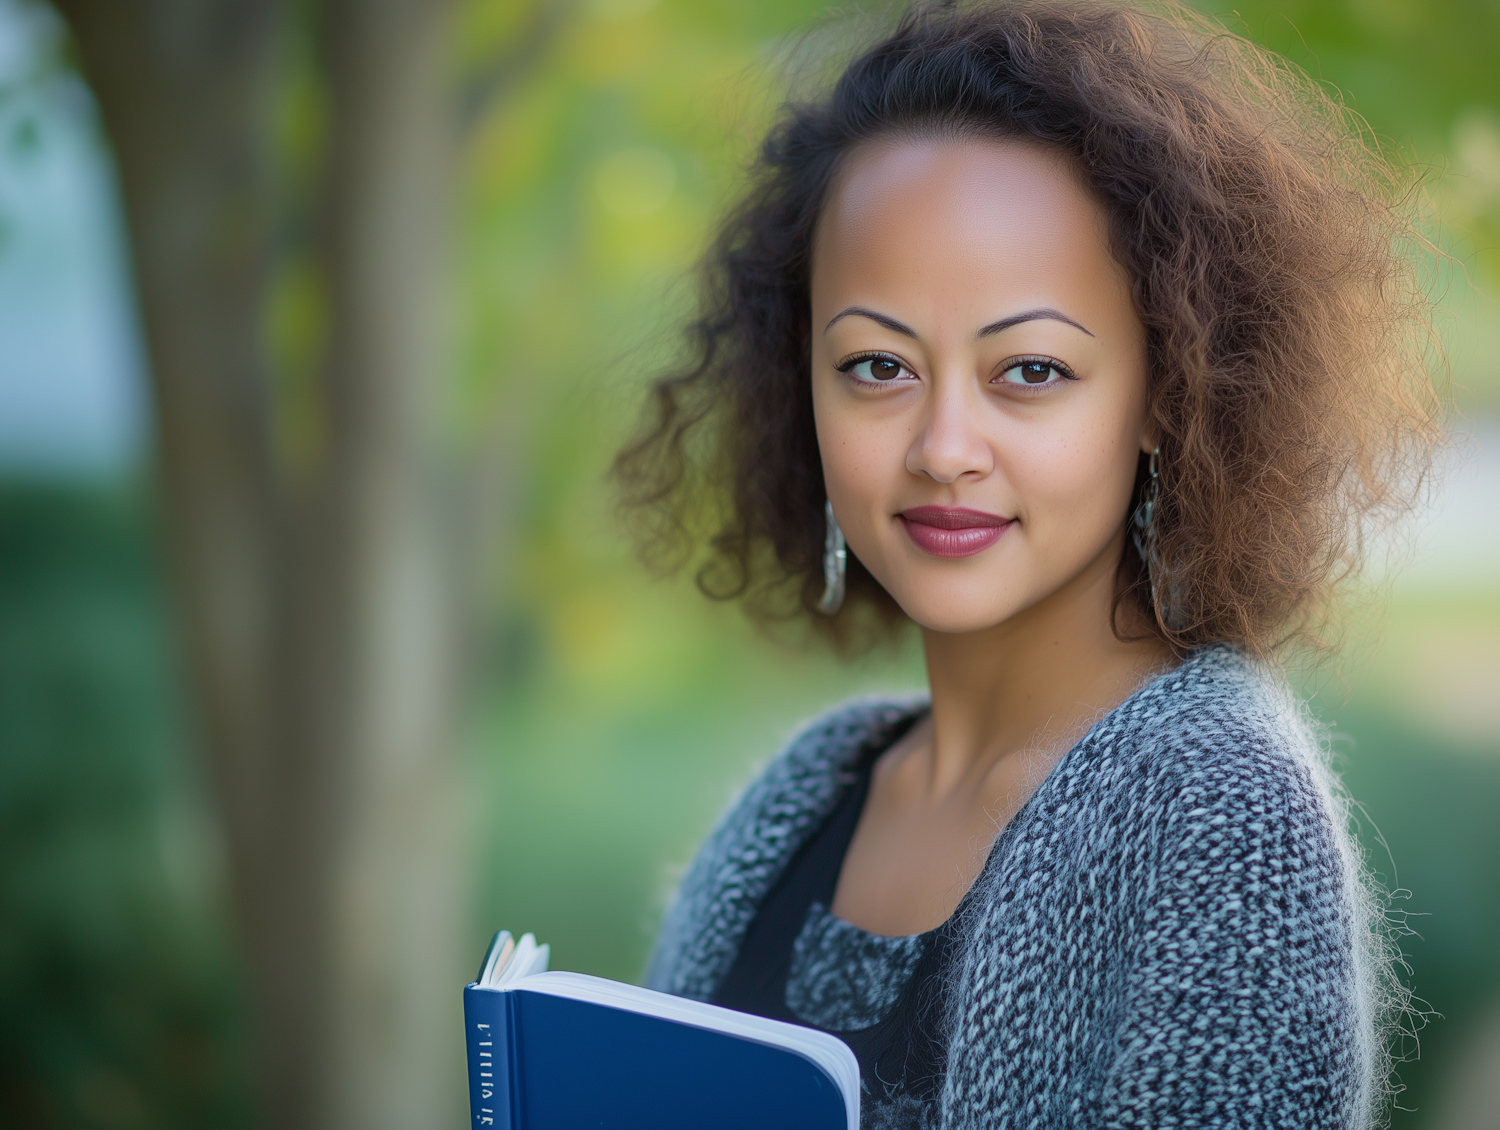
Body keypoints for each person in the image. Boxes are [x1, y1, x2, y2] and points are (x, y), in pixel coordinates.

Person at [613, 2, 1438, 1127]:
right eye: (876, 366)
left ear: (1164, 394)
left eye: (1032, 370)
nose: (944, 447)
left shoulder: (1221, 818)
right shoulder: (802, 797)